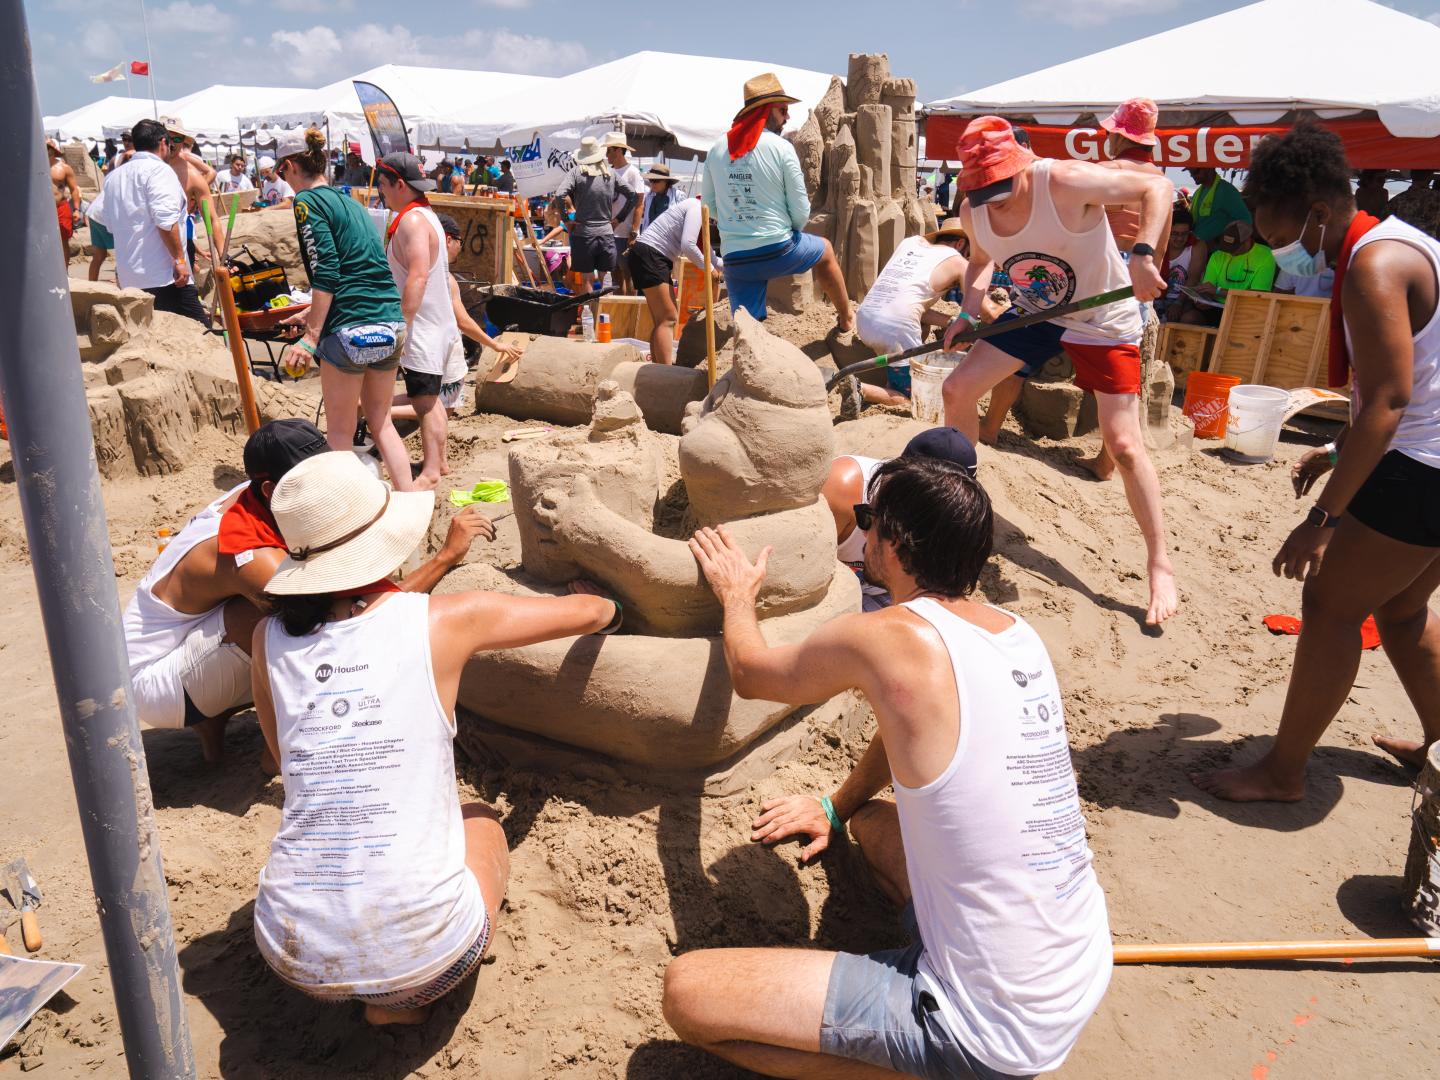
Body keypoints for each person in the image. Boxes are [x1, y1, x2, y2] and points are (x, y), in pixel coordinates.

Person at [664, 456, 1112, 1079]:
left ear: (895, 544)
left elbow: (749, 674)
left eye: (868, 520)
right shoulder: (1017, 633)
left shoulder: (881, 636)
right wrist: (834, 807)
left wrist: (737, 597)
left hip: (986, 1029)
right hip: (1076, 967)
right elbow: (902, 730)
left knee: (687, 993)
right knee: (872, 825)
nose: (862, 531)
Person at [251, 450, 619, 1025]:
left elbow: (287, 761)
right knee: (482, 822)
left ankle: (372, 986)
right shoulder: (444, 618)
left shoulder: (267, 637)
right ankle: (402, 1003)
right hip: (427, 959)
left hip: (290, 952)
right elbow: (591, 613)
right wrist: (607, 601)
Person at [1193, 123, 1440, 803]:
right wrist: (1336, 448)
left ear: (1318, 213)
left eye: (1277, 236)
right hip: (1430, 451)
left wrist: (1323, 519)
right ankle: (1438, 746)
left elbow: (1391, 398)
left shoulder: (1371, 266)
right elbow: (1422, 372)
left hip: (1420, 466)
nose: (1276, 250)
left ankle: (1283, 771)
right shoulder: (1405, 244)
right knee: (1403, 608)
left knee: (1329, 605)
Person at [120, 419, 491, 767]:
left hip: (186, 646)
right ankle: (280, 753)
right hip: (154, 684)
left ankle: (213, 719)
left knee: (278, 607)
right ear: (269, 489)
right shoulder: (249, 555)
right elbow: (354, 617)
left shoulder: (263, 497)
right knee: (289, 625)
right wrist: (444, 558)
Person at [939, 116, 1178, 626]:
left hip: (1102, 318)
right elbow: (980, 260)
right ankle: (964, 505)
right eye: (982, 193)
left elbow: (1157, 186)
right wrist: (966, 310)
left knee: (1126, 445)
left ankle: (1159, 563)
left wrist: (1140, 255)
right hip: (1036, 311)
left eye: (1002, 188)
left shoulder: (1063, 181)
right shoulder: (974, 207)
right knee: (957, 389)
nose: (994, 201)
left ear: (1022, 166)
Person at [269, 128, 415, 491]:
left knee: (339, 431)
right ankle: (411, 504)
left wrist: (310, 336)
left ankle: (344, 515)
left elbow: (327, 269)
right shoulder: (350, 200)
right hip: (390, 322)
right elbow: (362, 265)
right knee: (381, 424)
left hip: (351, 330)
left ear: (288, 167)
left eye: (278, 172)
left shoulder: (306, 203)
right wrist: (310, 314)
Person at [703, 73, 852, 330]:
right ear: (765, 112)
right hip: (778, 250)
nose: (787, 117)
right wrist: (788, 230)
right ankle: (847, 320)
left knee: (749, 327)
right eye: (782, 110)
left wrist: (737, 226)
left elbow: (709, 206)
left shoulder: (716, 149)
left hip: (736, 259)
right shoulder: (782, 147)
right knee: (826, 251)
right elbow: (801, 209)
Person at [821, 427, 978, 611]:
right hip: (831, 591)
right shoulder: (843, 489)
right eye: (866, 517)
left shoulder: (955, 524)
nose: (866, 531)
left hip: (885, 595)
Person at [392, 213, 524, 430]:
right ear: (447, 240)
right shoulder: (443, 278)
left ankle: (370, 407)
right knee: (441, 407)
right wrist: (495, 344)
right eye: (459, 242)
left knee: (425, 399)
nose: (460, 248)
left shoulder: (410, 269)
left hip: (419, 346)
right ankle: (374, 412)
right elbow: (462, 321)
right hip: (435, 347)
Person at [375, 151, 458, 491]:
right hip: (435, 323)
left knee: (425, 403)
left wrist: (402, 323)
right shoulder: (425, 214)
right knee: (432, 400)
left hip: (423, 325)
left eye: (383, 184)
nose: (380, 191)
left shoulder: (411, 221)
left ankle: (432, 471)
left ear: (399, 184)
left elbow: (418, 277)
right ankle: (441, 462)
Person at [86, 119, 206, 322]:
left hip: (129, 277)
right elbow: (166, 221)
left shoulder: (114, 177)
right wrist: (179, 260)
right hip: (164, 276)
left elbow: (108, 222)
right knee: (203, 336)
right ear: (162, 143)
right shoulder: (159, 170)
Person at [851, 218, 977, 407]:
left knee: (916, 329)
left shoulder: (910, 243)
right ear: (960, 243)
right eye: (969, 253)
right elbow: (980, 308)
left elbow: (911, 305)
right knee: (916, 399)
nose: (968, 258)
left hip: (864, 319)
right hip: (895, 330)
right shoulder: (957, 261)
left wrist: (950, 322)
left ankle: (895, 377)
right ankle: (862, 389)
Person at [624, 196, 721, 364]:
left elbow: (713, 259)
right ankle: (665, 372)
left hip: (650, 255)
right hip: (651, 254)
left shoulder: (699, 211)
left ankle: (658, 369)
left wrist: (736, 267)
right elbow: (688, 245)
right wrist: (710, 270)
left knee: (662, 319)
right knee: (668, 318)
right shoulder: (697, 206)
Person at [553, 135, 640, 300]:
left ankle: (590, 316)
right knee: (605, 278)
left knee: (587, 279)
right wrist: (619, 219)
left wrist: (566, 220)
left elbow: (559, 195)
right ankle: (606, 316)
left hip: (583, 233)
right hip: (606, 233)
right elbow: (633, 196)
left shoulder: (576, 172)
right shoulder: (610, 173)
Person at [1173, 221, 1276, 325]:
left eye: (1234, 247)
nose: (1229, 252)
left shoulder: (1265, 255)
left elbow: (1256, 295)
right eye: (1227, 246)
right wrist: (1204, 300)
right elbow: (1208, 287)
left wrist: (1218, 291)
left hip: (1245, 309)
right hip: (1216, 306)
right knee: (1189, 318)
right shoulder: (1218, 254)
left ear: (1247, 240)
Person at [604, 132, 645, 294]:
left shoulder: (633, 173)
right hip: (611, 233)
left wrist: (634, 232)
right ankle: (621, 314)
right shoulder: (608, 172)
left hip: (626, 234)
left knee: (629, 276)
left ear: (618, 150)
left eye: (609, 150)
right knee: (616, 276)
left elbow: (639, 204)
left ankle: (631, 314)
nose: (606, 154)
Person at [1157, 207, 1206, 318]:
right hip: (1157, 296)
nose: (1179, 238)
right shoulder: (1159, 244)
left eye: (1184, 234)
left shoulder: (1197, 246)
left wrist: (1178, 303)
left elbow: (1194, 278)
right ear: (1167, 231)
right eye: (1175, 234)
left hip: (1184, 299)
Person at [1186, 165, 1251, 245]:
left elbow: (1246, 221)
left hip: (1218, 252)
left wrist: (1221, 241)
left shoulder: (1226, 191)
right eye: (1190, 172)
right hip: (1197, 249)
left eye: (1195, 172)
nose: (1191, 175)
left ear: (1209, 168)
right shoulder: (1197, 193)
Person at [47, 138, 79, 253]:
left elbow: (74, 189)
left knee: (63, 240)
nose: (45, 150)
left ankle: (64, 270)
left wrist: (76, 209)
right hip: (42, 208)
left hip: (60, 206)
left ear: (53, 150)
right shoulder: (34, 167)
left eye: (48, 147)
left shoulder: (64, 168)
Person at [1388, 169, 1440, 240]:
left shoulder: (1397, 199)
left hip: (1405, 241)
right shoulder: (1437, 198)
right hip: (1429, 243)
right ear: (1429, 177)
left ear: (1412, 176)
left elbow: (1386, 222)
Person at [639, 162, 680, 232]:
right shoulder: (648, 197)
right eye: (651, 180)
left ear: (666, 181)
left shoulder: (678, 196)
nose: (652, 183)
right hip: (650, 238)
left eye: (656, 180)